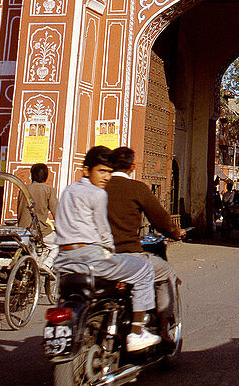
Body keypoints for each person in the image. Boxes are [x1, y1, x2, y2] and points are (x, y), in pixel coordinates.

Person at [54, 146, 160, 352]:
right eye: (101, 171)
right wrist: (110, 250)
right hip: (92, 259)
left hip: (64, 260)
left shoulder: (68, 191)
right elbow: (103, 232)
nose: (106, 177)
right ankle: (137, 333)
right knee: (144, 268)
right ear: (86, 171)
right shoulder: (98, 194)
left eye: (109, 172)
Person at [105, 147, 184, 324]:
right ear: (132, 166)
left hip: (98, 258)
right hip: (128, 255)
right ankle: (163, 328)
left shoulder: (98, 188)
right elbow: (160, 220)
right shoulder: (137, 188)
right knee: (167, 271)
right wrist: (175, 232)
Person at [17, 163, 58, 271]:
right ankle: (46, 265)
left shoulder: (23, 189)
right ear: (46, 176)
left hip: (22, 230)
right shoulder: (48, 189)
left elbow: (19, 210)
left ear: (32, 175)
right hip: (39, 229)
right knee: (59, 245)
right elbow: (56, 212)